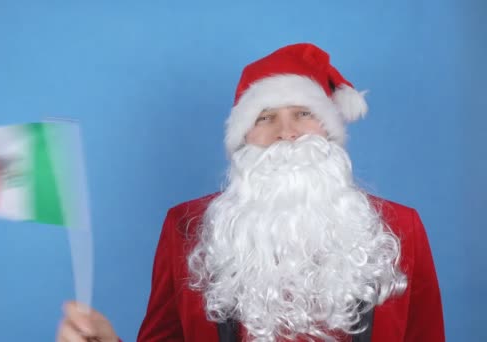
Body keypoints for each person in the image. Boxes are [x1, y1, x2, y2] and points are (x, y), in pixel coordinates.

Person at [56, 43, 445, 342]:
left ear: (328, 129)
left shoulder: (400, 227)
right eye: (265, 118)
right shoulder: (185, 227)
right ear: (243, 138)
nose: (286, 133)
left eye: (303, 113)